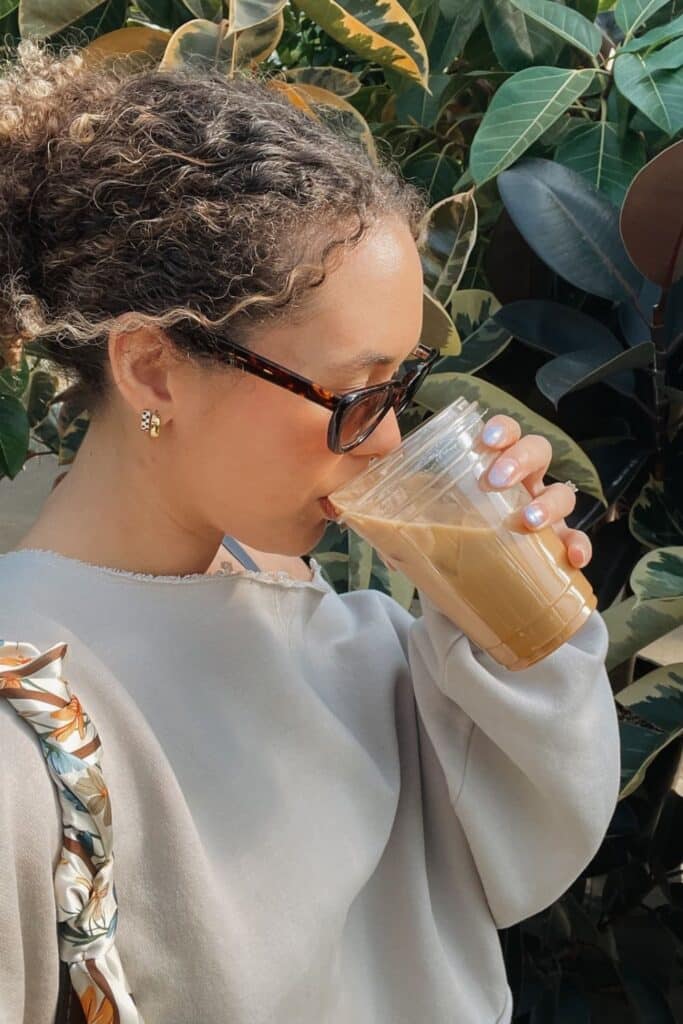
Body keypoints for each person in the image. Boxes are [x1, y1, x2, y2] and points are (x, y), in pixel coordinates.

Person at [0, 40, 620, 1024]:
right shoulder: (28, 729)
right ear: (153, 371)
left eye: (402, 387)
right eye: (353, 397)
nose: (388, 444)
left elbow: (527, 847)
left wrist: (504, 621)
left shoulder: (339, 635)